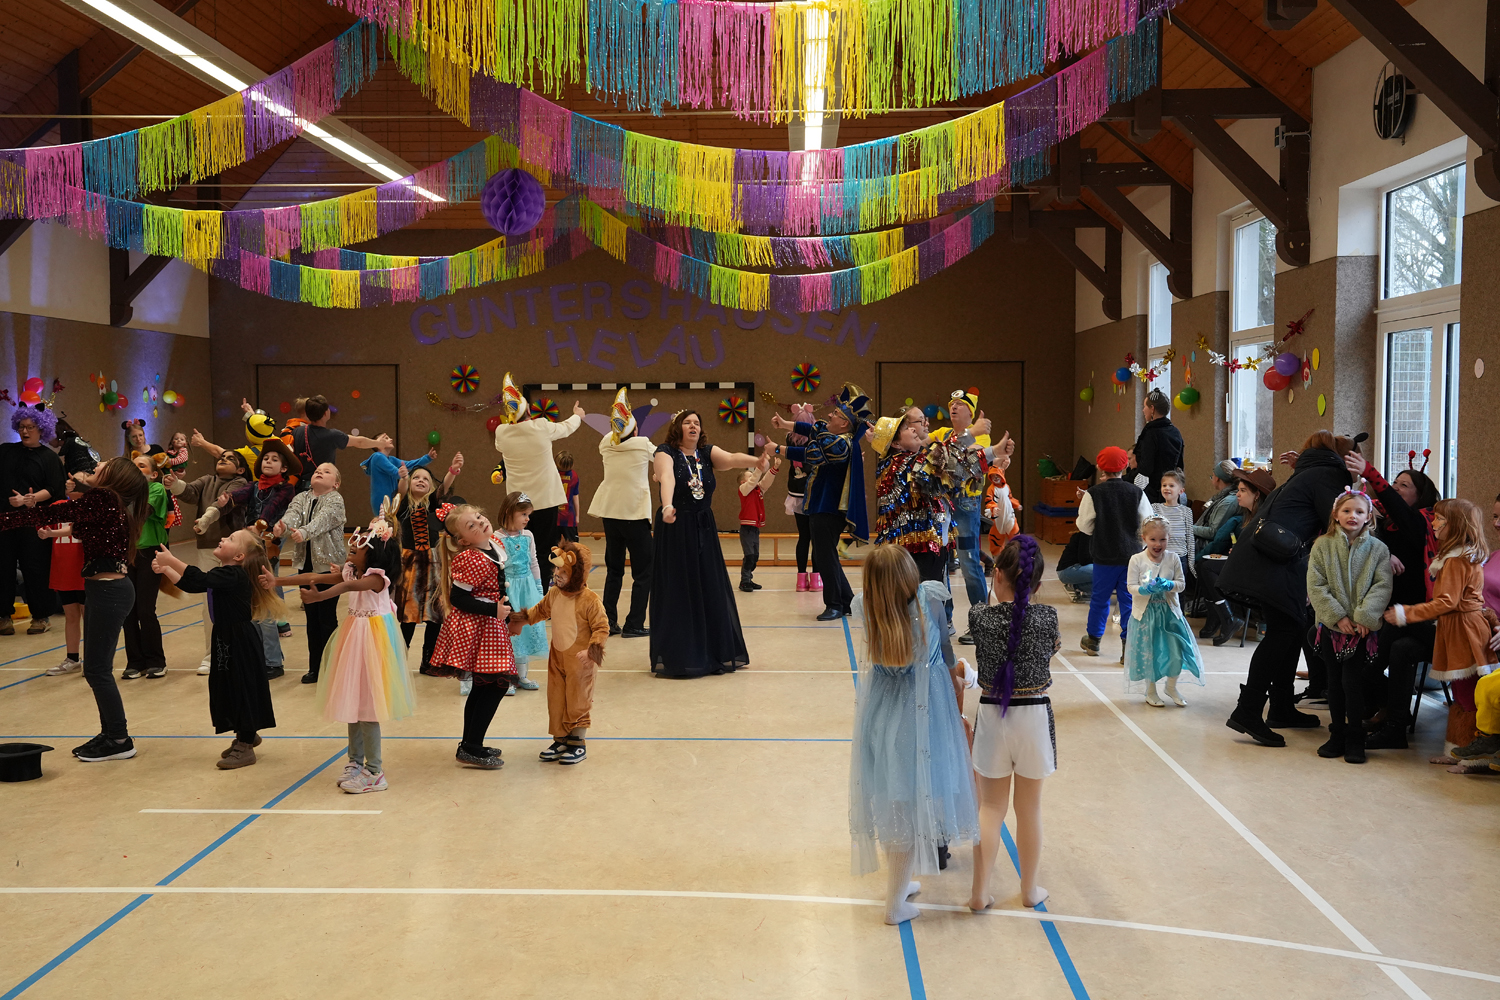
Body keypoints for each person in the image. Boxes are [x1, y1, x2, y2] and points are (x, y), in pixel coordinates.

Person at [849, 544, 978, 925]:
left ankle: (899, 882)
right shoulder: (929, 601)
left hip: (881, 713)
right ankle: (895, 905)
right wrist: (959, 678)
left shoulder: (866, 606)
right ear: (909, 577)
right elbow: (945, 653)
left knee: (895, 800)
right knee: (907, 809)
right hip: (921, 715)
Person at [0, 457, 150, 761]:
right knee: (96, 669)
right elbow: (74, 523)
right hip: (102, 589)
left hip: (109, 591)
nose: (98, 463)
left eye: (105, 464)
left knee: (97, 670)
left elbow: (55, 513)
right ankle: (110, 733)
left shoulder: (104, 498)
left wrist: (8, 518)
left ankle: (119, 739)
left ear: (114, 477)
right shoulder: (106, 502)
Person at [1220, 431, 1354, 747]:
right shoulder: (1328, 475)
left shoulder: (1307, 472)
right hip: (1273, 563)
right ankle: (1248, 710)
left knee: (1291, 628)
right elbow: (1337, 521)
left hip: (1264, 558)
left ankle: (1280, 706)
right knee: (1283, 632)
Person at [281, 518, 415, 793]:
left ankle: (375, 772)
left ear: (375, 553)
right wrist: (277, 580)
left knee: (368, 708)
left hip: (374, 640)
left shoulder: (377, 578)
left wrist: (320, 598)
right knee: (354, 704)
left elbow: (346, 588)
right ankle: (355, 762)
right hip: (354, 637)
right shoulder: (353, 571)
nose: (352, 546)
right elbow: (315, 576)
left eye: (360, 545)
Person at [965, 535, 1057, 912]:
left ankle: (979, 893)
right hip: (1033, 716)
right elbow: (1050, 650)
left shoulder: (979, 617)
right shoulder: (1047, 617)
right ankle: (1029, 890)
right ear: (1037, 585)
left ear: (997, 575)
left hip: (992, 714)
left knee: (990, 808)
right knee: (1029, 809)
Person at [151, 529, 284, 769]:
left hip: (240, 639)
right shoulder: (224, 574)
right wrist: (167, 570)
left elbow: (199, 578)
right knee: (227, 686)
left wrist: (171, 560)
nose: (223, 538)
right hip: (224, 636)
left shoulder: (234, 574)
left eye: (231, 539)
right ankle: (246, 734)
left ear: (239, 556)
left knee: (242, 687)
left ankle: (246, 743)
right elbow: (194, 584)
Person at [649, 410, 763, 678]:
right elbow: (667, 477)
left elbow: (732, 459)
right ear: (677, 427)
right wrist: (667, 506)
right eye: (687, 422)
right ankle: (684, 654)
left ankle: (714, 651)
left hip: (703, 526)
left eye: (697, 423)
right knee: (681, 587)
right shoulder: (665, 452)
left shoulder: (706, 453)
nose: (693, 426)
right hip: (676, 526)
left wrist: (757, 460)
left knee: (709, 584)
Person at [1383, 498, 1499, 758]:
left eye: (1439, 519)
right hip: (1460, 628)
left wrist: (1406, 613)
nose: (1433, 523)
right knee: (1463, 693)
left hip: (1463, 631)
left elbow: (1447, 602)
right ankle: (1459, 750)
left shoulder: (1457, 560)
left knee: (1467, 696)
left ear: (1455, 525)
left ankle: (1470, 755)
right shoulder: (1461, 556)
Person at [1344, 449, 1440, 749]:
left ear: (1420, 496)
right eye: (1395, 483)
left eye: (1404, 485)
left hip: (1417, 617)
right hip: (1388, 612)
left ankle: (1391, 721)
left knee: (1385, 653)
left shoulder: (1422, 522)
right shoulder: (1384, 523)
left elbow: (1397, 509)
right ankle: (1385, 710)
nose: (1396, 489)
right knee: (1333, 637)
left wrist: (1372, 473)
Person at [770, 384, 874, 621]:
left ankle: (834, 604)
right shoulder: (837, 438)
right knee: (828, 555)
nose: (829, 415)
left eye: (835, 414)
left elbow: (811, 452)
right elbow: (814, 429)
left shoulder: (840, 444)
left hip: (828, 508)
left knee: (824, 557)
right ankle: (846, 601)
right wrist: (786, 425)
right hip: (822, 507)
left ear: (845, 424)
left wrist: (778, 449)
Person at [1307, 490, 1393, 764]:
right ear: (1335, 514)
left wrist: (1364, 617)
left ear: (1368, 517)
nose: (1352, 516)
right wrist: (1337, 617)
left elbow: (1382, 586)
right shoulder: (1322, 545)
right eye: (1346, 511)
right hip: (1333, 627)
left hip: (1361, 630)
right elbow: (1316, 585)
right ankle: (1337, 734)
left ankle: (1356, 736)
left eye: (1359, 511)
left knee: (1352, 682)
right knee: (1333, 682)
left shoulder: (1378, 549)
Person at [429, 503, 516, 768]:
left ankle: (470, 744)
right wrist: (493, 610)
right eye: (471, 525)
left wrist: (508, 617)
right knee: (496, 684)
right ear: (463, 540)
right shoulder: (472, 558)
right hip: (478, 626)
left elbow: (498, 588)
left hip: (490, 625)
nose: (480, 523)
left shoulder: (492, 546)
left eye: (479, 517)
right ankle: (471, 745)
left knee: (485, 685)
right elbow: (458, 597)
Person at [202, 438, 302, 660]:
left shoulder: (286, 488)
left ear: (283, 468)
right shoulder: (255, 486)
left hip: (268, 544)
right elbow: (240, 494)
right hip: (251, 544)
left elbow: (272, 507)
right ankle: (258, 657)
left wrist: (259, 526)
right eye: (266, 458)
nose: (268, 461)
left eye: (274, 459)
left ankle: (273, 660)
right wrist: (227, 498)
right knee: (252, 603)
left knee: (265, 600)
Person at [513, 538, 610, 765]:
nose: (557, 574)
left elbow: (601, 627)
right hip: (557, 659)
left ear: (577, 573)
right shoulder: (555, 593)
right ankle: (561, 739)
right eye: (556, 569)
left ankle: (577, 743)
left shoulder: (589, 600)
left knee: (578, 699)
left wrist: (592, 652)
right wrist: (520, 621)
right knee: (556, 699)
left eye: (563, 571)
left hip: (580, 662)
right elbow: (540, 610)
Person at [490, 373, 583, 590]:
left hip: (518, 503)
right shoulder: (541, 426)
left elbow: (501, 447)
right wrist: (577, 415)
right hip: (545, 501)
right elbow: (567, 427)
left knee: (517, 548)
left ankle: (518, 593)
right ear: (529, 412)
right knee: (543, 550)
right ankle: (539, 594)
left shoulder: (501, 432)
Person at [166, 449, 250, 674]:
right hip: (208, 548)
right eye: (222, 457)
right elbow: (190, 492)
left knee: (237, 603)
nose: (223, 459)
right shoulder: (206, 480)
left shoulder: (240, 483)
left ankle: (241, 651)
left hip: (234, 552)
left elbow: (222, 505)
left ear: (240, 469)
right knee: (209, 603)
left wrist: (204, 520)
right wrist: (175, 484)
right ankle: (212, 654)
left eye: (230, 459)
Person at [588, 387, 654, 638]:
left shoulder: (606, 443)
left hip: (610, 514)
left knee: (614, 570)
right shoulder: (643, 444)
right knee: (643, 572)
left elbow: (614, 437)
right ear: (635, 429)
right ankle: (634, 623)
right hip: (634, 515)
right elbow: (661, 457)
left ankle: (609, 621)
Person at [274, 462, 346, 684]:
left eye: (327, 471)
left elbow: (323, 521)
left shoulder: (335, 500)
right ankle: (315, 667)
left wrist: (304, 532)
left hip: (329, 567)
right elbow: (292, 515)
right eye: (317, 470)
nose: (320, 472)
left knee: (326, 618)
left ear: (336, 483)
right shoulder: (301, 497)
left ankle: (333, 667)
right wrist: (283, 527)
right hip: (305, 566)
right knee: (312, 619)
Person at [1077, 445, 1152, 660]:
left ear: (1101, 467)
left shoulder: (1093, 494)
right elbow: (1147, 522)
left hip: (1104, 555)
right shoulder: (1137, 493)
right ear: (1125, 466)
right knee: (1128, 601)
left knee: (1099, 599)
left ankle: (1093, 640)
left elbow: (1084, 526)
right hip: (1131, 557)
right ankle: (1128, 647)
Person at [929, 389, 993, 634]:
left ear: (971, 412)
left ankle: (981, 623)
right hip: (942, 503)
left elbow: (964, 458)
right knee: (941, 561)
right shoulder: (942, 433)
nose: (953, 407)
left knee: (968, 562)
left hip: (966, 505)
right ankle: (945, 619)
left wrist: (946, 450)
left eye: (960, 404)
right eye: (951, 403)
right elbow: (927, 447)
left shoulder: (982, 436)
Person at [1124, 517, 1204, 707]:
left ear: (1169, 538)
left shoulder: (1173, 558)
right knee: (1150, 652)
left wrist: (1169, 585)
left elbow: (1181, 584)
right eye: (1153, 539)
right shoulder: (1137, 559)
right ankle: (1150, 691)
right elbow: (1130, 586)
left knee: (1176, 651)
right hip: (1146, 615)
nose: (1158, 544)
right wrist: (1144, 590)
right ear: (1144, 538)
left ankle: (1171, 687)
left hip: (1169, 613)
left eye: (1162, 539)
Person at [0, 405, 65, 635]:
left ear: (42, 429)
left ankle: (40, 616)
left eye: (30, 427)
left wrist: (32, 499)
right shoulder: (5, 451)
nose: (25, 431)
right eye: (22, 427)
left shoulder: (49, 458)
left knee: (35, 568)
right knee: (3, 568)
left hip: (34, 521)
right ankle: (3, 616)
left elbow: (55, 489)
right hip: (5, 521)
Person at [393, 464, 463, 673]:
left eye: (426, 479)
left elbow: (444, 488)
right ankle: (399, 660)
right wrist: (403, 478)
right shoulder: (403, 505)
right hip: (410, 564)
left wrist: (452, 471)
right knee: (409, 614)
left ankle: (429, 661)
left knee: (435, 612)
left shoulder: (432, 505)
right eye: (416, 478)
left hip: (433, 563)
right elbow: (401, 491)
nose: (421, 481)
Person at [1197, 468, 1273, 646]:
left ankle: (1226, 617)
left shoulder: (1265, 520)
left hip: (1256, 573)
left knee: (1207, 567)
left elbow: (1261, 553)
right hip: (1243, 565)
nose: (1237, 494)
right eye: (1238, 490)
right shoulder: (1246, 517)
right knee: (1203, 563)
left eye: (1243, 491)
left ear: (1256, 495)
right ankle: (1220, 616)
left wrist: (1239, 553)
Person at [120, 451, 171, 680]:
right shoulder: (122, 494)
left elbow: (140, 513)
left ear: (153, 474)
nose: (136, 469)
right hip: (127, 553)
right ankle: (135, 661)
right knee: (128, 610)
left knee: (145, 609)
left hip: (150, 553)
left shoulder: (156, 489)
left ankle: (156, 660)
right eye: (133, 466)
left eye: (141, 466)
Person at [496, 491, 546, 694]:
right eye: (523, 514)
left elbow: (534, 562)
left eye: (528, 515)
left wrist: (538, 587)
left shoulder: (528, 536)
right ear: (509, 512)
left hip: (527, 590)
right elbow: (497, 567)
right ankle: (506, 677)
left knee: (524, 632)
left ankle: (521, 675)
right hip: (509, 590)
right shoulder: (496, 537)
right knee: (510, 634)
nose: (527, 519)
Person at [299, 394, 392, 480]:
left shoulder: (297, 431)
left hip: (299, 486)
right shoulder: (332, 435)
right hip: (322, 485)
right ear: (325, 413)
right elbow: (359, 442)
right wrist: (380, 443)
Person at [782, 402, 816, 592]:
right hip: (814, 493)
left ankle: (801, 580)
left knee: (803, 537)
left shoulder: (789, 438)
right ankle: (816, 579)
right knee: (816, 538)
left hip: (796, 492)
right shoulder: (816, 440)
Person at [1130, 388, 1185, 504]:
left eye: (1145, 406)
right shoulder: (1175, 432)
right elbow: (1180, 465)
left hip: (1153, 493)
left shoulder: (1151, 433)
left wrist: (1129, 485)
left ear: (1152, 409)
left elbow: (1146, 469)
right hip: (1171, 490)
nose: (1143, 410)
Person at [360, 440, 434, 514]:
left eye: (425, 479)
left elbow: (409, 464)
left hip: (391, 498)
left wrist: (427, 458)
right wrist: (404, 475)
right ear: (377, 444)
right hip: (382, 500)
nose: (390, 439)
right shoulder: (377, 456)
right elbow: (395, 472)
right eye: (385, 438)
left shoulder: (392, 459)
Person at [737, 460, 778, 592]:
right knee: (749, 556)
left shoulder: (758, 490)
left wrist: (774, 468)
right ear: (743, 482)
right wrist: (759, 469)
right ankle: (744, 581)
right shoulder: (743, 489)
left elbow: (766, 481)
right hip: (746, 529)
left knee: (755, 556)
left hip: (755, 529)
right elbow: (753, 481)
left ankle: (749, 579)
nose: (753, 477)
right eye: (750, 476)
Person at [1152, 469, 1195, 575]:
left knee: (1178, 585)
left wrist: (1191, 564)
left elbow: (1190, 538)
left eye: (1171, 486)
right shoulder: (1155, 508)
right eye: (1164, 485)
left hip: (1180, 558)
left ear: (1181, 491)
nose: (1167, 488)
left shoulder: (1186, 511)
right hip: (1161, 557)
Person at [1055, 531, 1093, 604]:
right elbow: (1085, 560)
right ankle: (1076, 586)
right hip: (1068, 570)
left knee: (1110, 581)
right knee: (1106, 572)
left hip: (1079, 568)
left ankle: (1077, 587)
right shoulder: (1086, 534)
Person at [556, 451, 580, 543]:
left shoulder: (553, 474)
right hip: (568, 516)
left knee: (553, 546)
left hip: (554, 516)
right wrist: (577, 516)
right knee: (572, 546)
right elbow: (575, 496)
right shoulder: (574, 476)